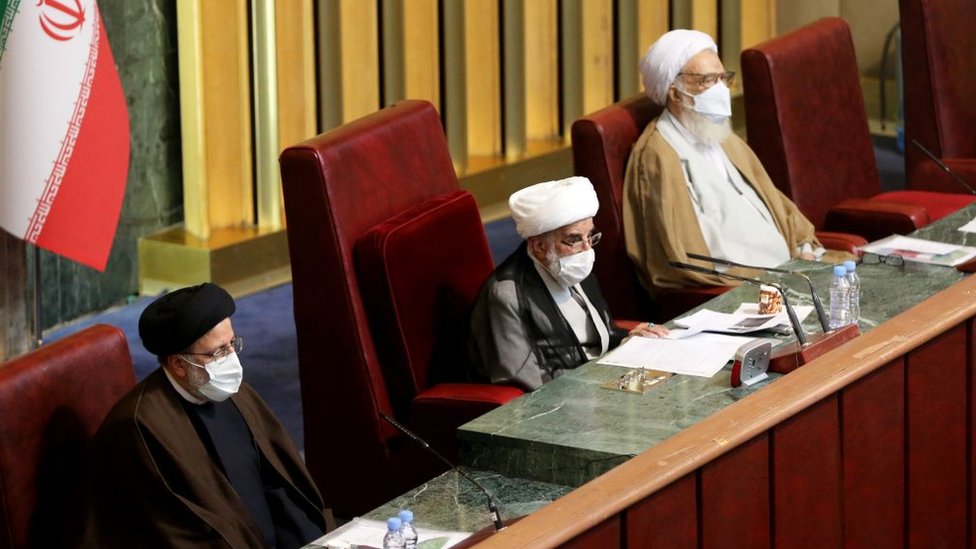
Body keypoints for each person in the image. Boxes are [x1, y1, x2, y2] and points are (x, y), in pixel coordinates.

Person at [88, 283, 328, 548]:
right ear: (178, 364)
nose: (231, 360)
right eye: (218, 352)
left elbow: (278, 481)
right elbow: (170, 530)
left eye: (232, 344)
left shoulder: (230, 391)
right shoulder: (138, 427)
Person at [623, 29, 822, 293]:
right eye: (707, 81)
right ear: (675, 93)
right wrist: (773, 280)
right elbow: (685, 257)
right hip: (749, 290)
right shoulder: (659, 156)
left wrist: (803, 250)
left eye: (722, 78)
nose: (720, 90)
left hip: (790, 272)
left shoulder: (720, 134)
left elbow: (776, 204)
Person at [468, 177, 668, 391]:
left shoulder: (574, 263)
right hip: (566, 397)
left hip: (603, 379)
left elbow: (599, 337)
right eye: (573, 239)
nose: (586, 248)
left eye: (590, 236)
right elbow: (525, 380)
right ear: (539, 247)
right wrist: (603, 377)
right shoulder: (507, 294)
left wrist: (627, 340)